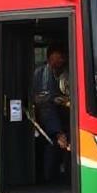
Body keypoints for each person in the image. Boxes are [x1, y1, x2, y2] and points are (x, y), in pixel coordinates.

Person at [32, 43, 71, 183]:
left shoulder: (64, 73)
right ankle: (49, 179)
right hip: (47, 121)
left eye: (62, 58)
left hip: (62, 118)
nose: (61, 60)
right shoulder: (40, 73)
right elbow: (39, 100)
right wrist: (58, 132)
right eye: (58, 57)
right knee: (51, 147)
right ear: (50, 56)